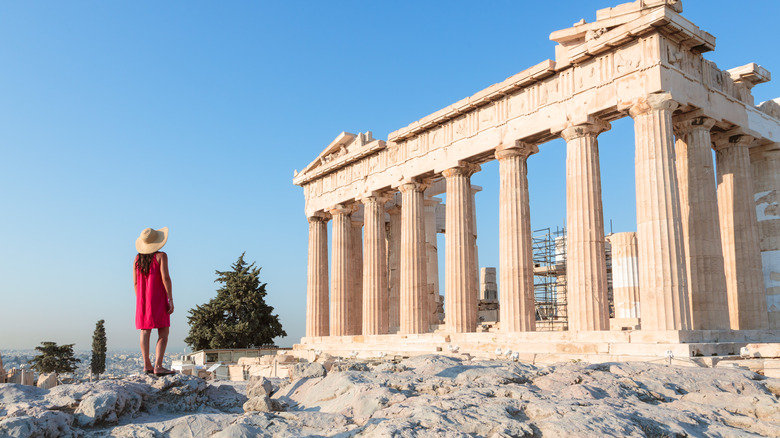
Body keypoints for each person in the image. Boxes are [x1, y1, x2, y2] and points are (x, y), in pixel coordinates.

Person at [133, 227, 175, 376]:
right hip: (157, 298)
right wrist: (170, 298)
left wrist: (141, 299)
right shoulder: (161, 256)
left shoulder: (137, 259)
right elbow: (166, 278)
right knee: (163, 332)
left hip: (142, 300)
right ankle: (158, 365)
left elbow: (136, 284)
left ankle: (146, 365)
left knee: (145, 331)